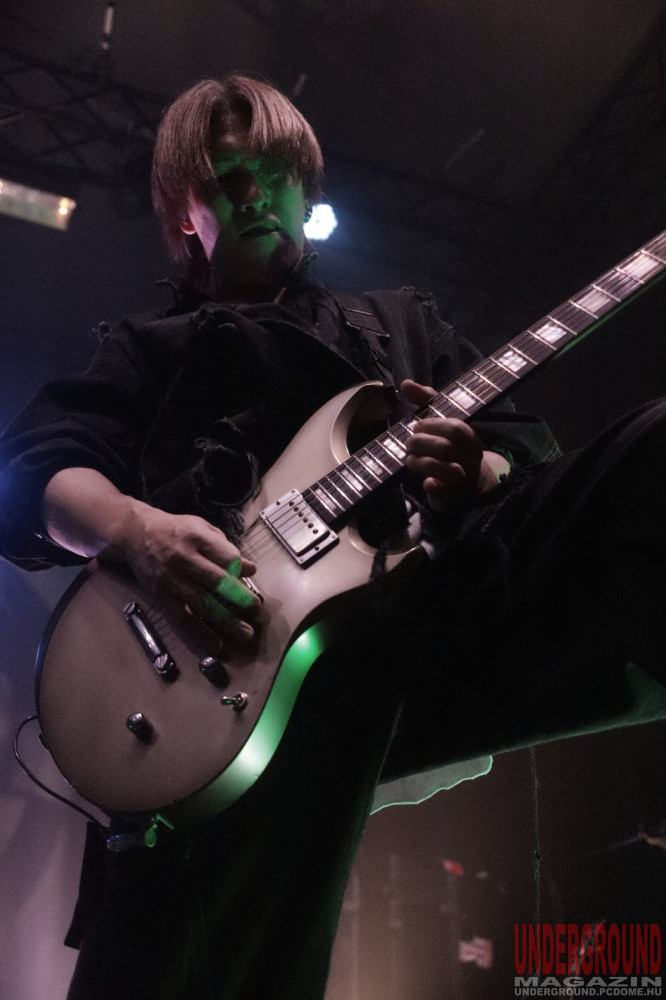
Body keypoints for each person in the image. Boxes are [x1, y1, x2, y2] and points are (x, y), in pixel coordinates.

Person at [1, 74, 665, 999]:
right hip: (236, 681)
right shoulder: (149, 348)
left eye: (275, 173)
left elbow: (521, 461)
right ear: (184, 213)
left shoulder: (397, 324)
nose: (256, 195)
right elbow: (32, 472)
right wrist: (137, 530)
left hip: (432, 631)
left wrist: (472, 470)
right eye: (228, 180)